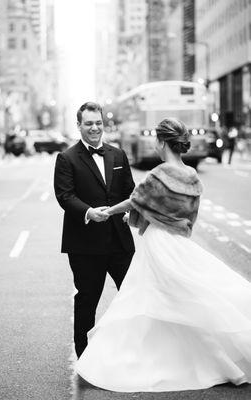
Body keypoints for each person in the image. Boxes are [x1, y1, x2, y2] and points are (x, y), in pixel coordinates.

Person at [75, 117, 251, 392]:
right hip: (179, 242)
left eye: (156, 141)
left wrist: (108, 211)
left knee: (149, 298)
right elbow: (188, 216)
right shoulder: (191, 175)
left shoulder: (159, 174)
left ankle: (153, 357)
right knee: (185, 298)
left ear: (161, 142)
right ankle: (215, 356)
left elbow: (136, 202)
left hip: (157, 244)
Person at [54, 102, 135, 358]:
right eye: (88, 123)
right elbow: (65, 196)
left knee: (134, 296)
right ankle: (85, 356)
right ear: (79, 126)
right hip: (85, 244)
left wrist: (131, 211)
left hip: (120, 242)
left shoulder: (118, 155)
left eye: (98, 122)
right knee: (87, 300)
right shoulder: (66, 158)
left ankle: (136, 350)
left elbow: (129, 191)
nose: (94, 128)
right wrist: (89, 212)